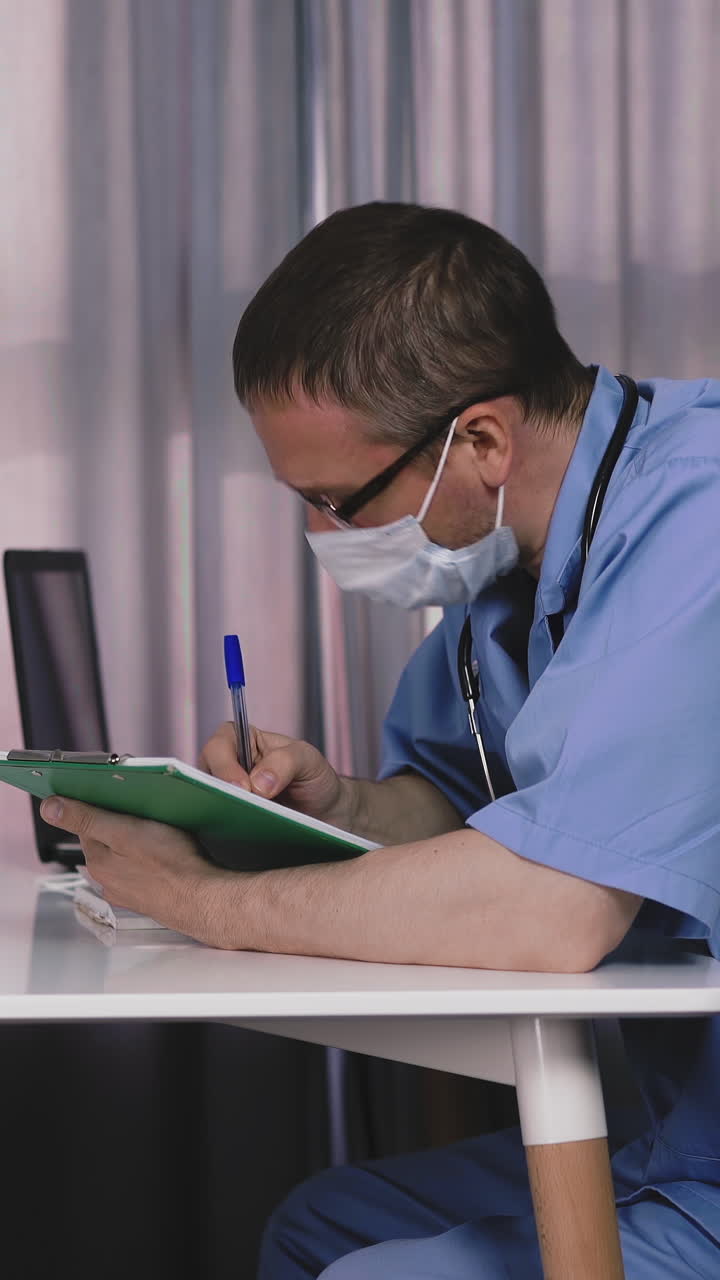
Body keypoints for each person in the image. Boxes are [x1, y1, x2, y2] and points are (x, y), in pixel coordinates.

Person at [41, 203, 720, 1277]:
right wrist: (342, 805)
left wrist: (199, 899)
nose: (324, 539)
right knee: (320, 1225)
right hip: (681, 1129)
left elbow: (551, 908)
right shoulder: (525, 557)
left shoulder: (701, 522)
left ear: (482, 440)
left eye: (337, 501)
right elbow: (467, 800)